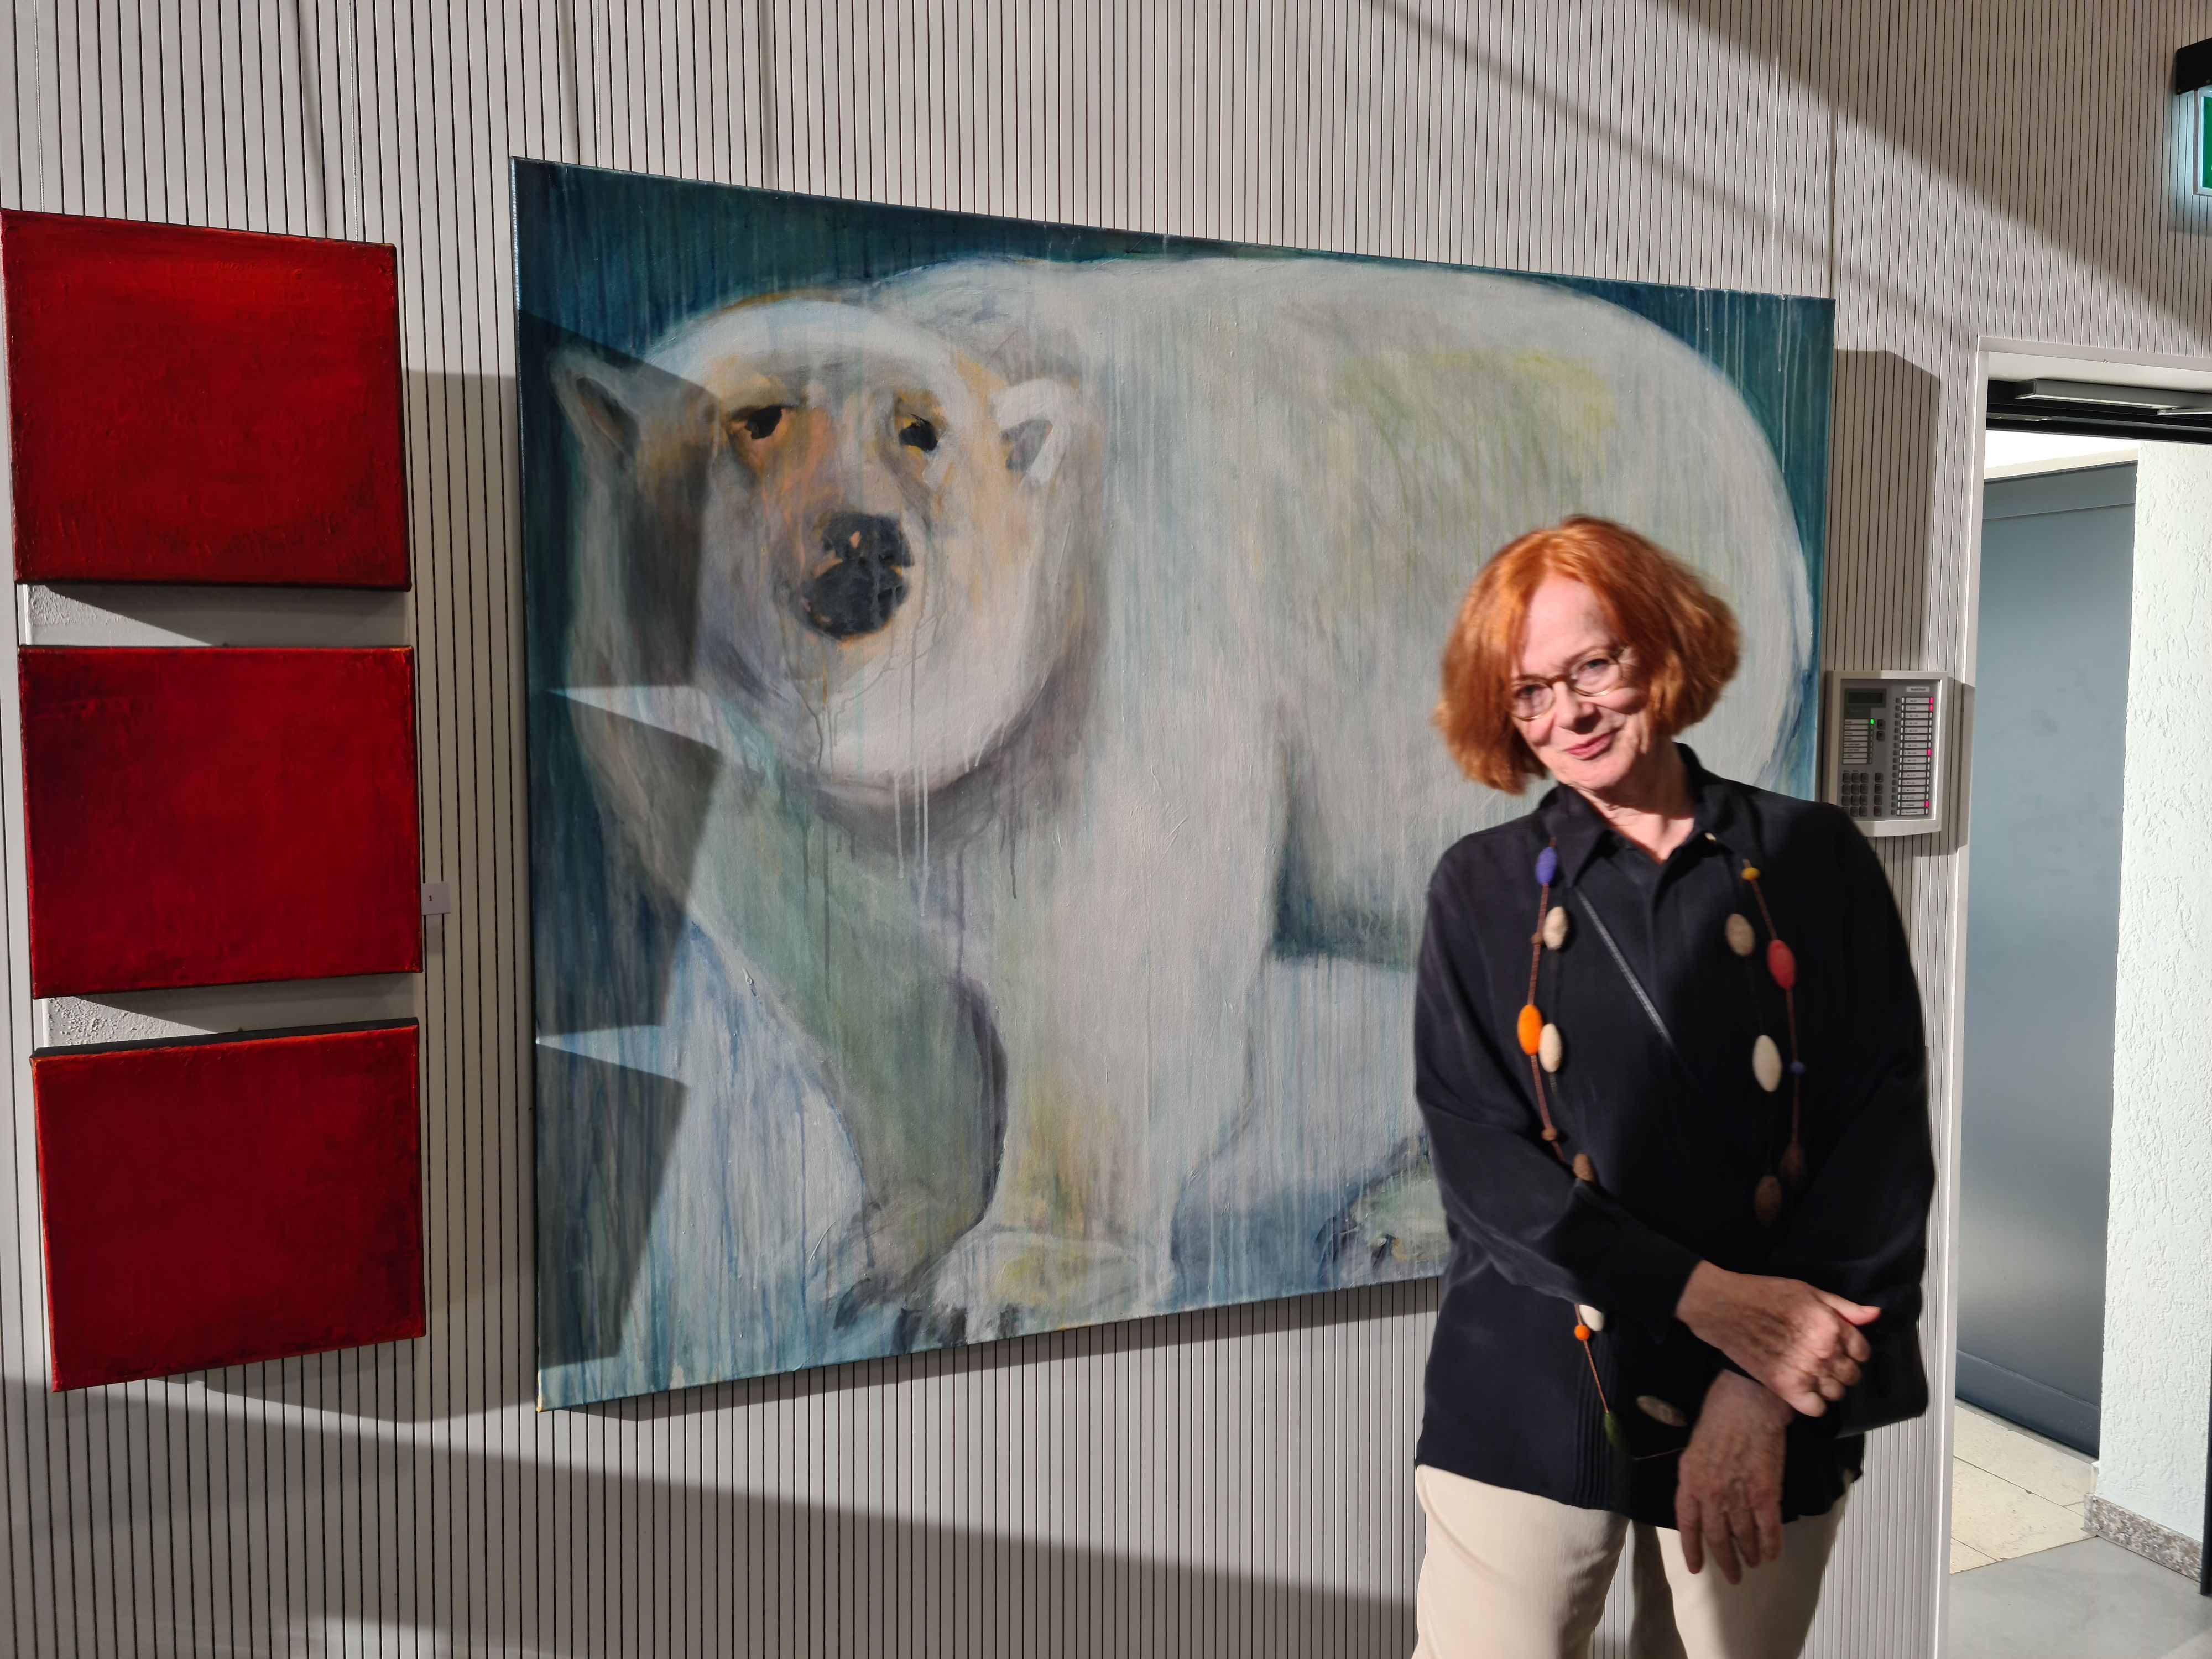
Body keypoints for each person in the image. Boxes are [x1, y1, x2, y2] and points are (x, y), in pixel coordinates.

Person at [1410, 517, 1934, 1659]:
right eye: (1529, 692)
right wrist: (1708, 1299)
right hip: (1533, 1388)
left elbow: (1879, 1141)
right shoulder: (1478, 889)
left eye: (1591, 665)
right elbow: (1484, 1170)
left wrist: (1757, 1378)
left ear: (1658, 644)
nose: (1569, 714)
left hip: (1775, 1382)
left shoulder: (1814, 858)